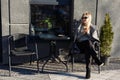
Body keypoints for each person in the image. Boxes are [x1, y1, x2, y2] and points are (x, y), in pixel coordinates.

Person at [74, 11, 104, 79]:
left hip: (88, 47)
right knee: (87, 43)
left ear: (89, 18)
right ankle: (97, 60)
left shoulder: (92, 27)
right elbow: (77, 38)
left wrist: (87, 33)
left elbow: (95, 39)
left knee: (88, 47)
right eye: (82, 17)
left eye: (85, 17)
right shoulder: (79, 26)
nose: (83, 19)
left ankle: (88, 71)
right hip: (80, 45)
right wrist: (83, 33)